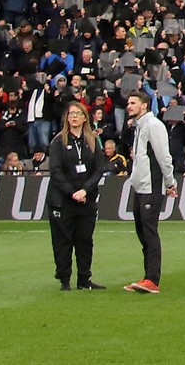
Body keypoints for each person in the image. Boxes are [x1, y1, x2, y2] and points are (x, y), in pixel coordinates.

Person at [123, 90, 176, 295]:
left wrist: (170, 182)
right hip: (141, 186)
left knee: (149, 231)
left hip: (152, 186)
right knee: (143, 231)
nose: (129, 106)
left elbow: (164, 156)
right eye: (128, 103)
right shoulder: (139, 127)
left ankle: (153, 279)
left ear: (144, 105)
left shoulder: (154, 125)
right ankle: (147, 276)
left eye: (133, 102)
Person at [47, 101, 105, 290]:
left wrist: (85, 190)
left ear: (84, 118)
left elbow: (98, 169)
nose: (73, 116)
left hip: (86, 199)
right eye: (70, 113)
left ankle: (84, 279)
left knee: (85, 240)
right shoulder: (58, 141)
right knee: (63, 241)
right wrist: (72, 192)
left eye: (77, 113)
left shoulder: (92, 141)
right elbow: (55, 171)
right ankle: (64, 279)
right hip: (63, 201)